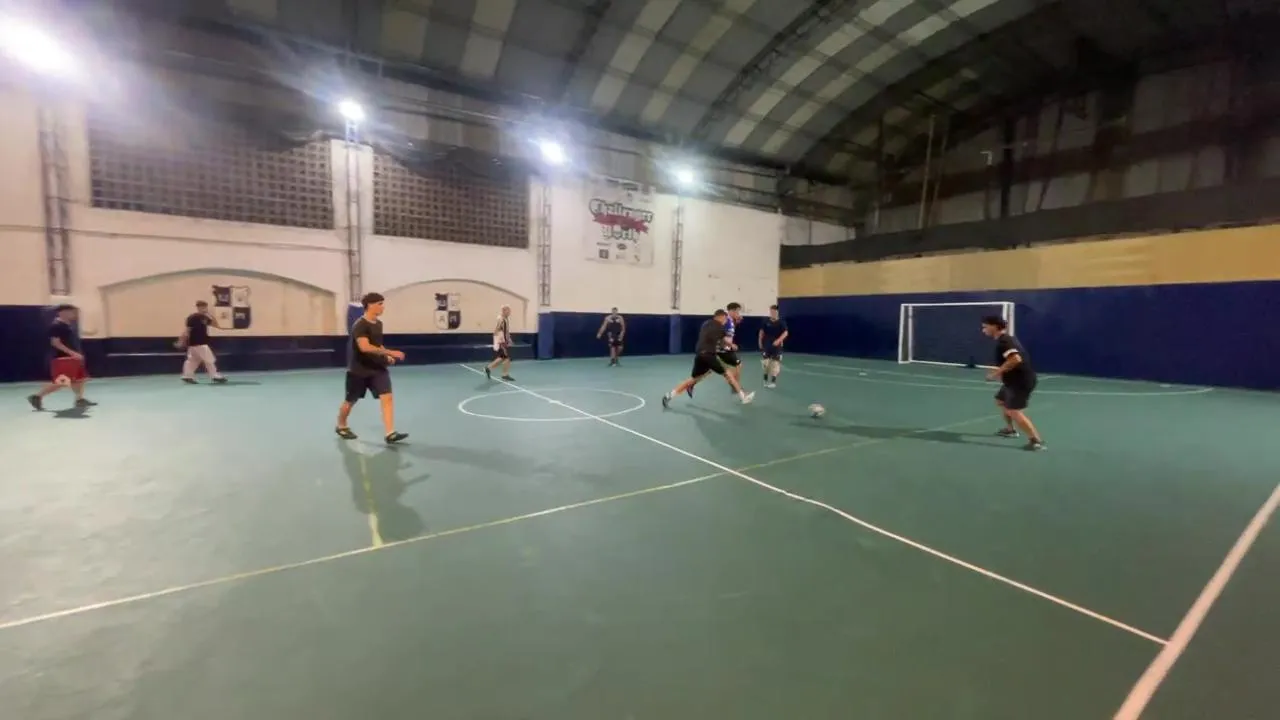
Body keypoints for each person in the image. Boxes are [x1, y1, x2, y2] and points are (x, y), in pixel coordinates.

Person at [336, 292, 407, 444]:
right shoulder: (360, 325)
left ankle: (390, 433)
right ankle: (341, 425)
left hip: (377, 369)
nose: (383, 307)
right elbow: (365, 347)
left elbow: (377, 344)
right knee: (350, 400)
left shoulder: (378, 324)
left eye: (382, 304)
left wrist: (385, 355)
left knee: (387, 397)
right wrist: (390, 352)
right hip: (358, 370)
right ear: (370, 305)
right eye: (380, 304)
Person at [662, 309, 754, 408]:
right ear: (722, 317)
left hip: (699, 354)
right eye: (725, 319)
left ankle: (669, 395)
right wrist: (732, 346)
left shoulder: (705, 324)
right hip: (709, 354)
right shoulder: (721, 328)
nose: (725, 321)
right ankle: (743, 397)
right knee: (728, 374)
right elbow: (723, 342)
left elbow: (710, 336)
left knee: (693, 379)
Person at [981, 315, 1045, 451]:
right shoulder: (1005, 340)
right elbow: (1011, 361)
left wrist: (995, 374)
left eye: (985, 327)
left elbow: (1015, 359)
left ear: (994, 326)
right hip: (1012, 380)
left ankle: (1036, 441)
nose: (983, 330)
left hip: (1020, 381)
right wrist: (1001, 372)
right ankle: (1010, 430)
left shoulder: (1005, 341)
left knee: (1013, 411)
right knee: (1000, 400)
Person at [27, 304, 97, 411]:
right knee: (62, 382)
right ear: (63, 312)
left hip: (73, 358)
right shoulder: (56, 326)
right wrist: (73, 353)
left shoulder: (68, 325)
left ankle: (79, 399)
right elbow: (55, 343)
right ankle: (37, 397)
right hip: (62, 358)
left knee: (79, 379)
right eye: (72, 312)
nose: (74, 314)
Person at [176, 300, 227, 384]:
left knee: (193, 360)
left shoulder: (205, 318)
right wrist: (181, 340)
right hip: (199, 343)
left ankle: (187, 376)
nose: (203, 308)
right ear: (198, 307)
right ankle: (215, 376)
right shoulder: (193, 317)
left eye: (205, 307)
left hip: (196, 344)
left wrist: (210, 315)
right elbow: (187, 330)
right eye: (201, 307)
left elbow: (216, 325)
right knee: (209, 359)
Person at [758, 304, 789, 388]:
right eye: (771, 312)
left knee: (775, 364)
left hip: (777, 347)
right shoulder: (765, 321)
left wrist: (779, 340)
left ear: (777, 312)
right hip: (767, 345)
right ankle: (765, 380)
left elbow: (785, 333)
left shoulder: (781, 322)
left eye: (774, 312)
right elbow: (761, 332)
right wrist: (760, 342)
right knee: (766, 364)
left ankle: (773, 382)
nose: (773, 313)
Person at [485, 305, 515, 381]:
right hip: (501, 341)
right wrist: (498, 341)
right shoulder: (501, 319)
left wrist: (509, 339)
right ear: (504, 311)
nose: (510, 313)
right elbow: (497, 330)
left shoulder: (506, 319)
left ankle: (489, 368)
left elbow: (506, 330)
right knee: (506, 357)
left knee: (503, 357)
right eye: (508, 311)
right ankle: (504, 374)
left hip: (503, 340)